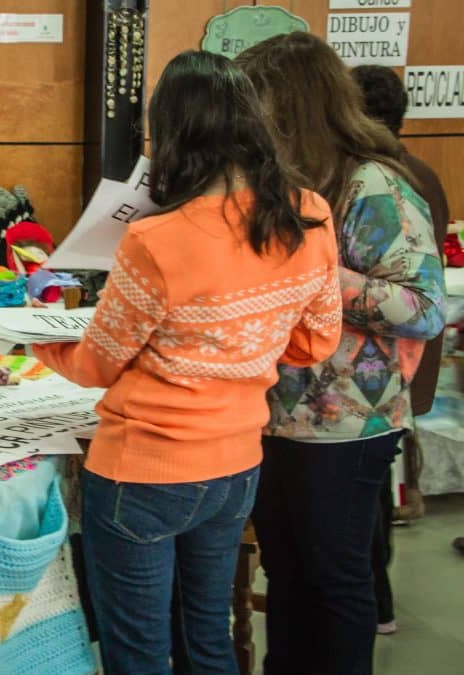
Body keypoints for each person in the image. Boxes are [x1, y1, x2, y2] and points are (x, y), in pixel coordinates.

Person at [31, 50, 342, 674]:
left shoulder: (157, 239)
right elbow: (315, 343)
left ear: (171, 133)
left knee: (139, 652)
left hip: (144, 469)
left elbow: (96, 364)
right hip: (237, 463)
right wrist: (241, 336)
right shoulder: (308, 212)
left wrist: (36, 336)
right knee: (209, 637)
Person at [236, 33, 447, 675]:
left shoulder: (374, 184)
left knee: (334, 580)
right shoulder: (286, 182)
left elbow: (425, 307)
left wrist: (316, 274)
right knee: (290, 575)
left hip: (348, 423)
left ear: (292, 108)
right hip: (275, 412)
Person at [351, 63, 452, 637]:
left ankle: (376, 598)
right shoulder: (421, 172)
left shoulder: (378, 178)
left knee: (362, 484)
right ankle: (378, 598)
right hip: (407, 354)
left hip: (380, 358)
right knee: (375, 478)